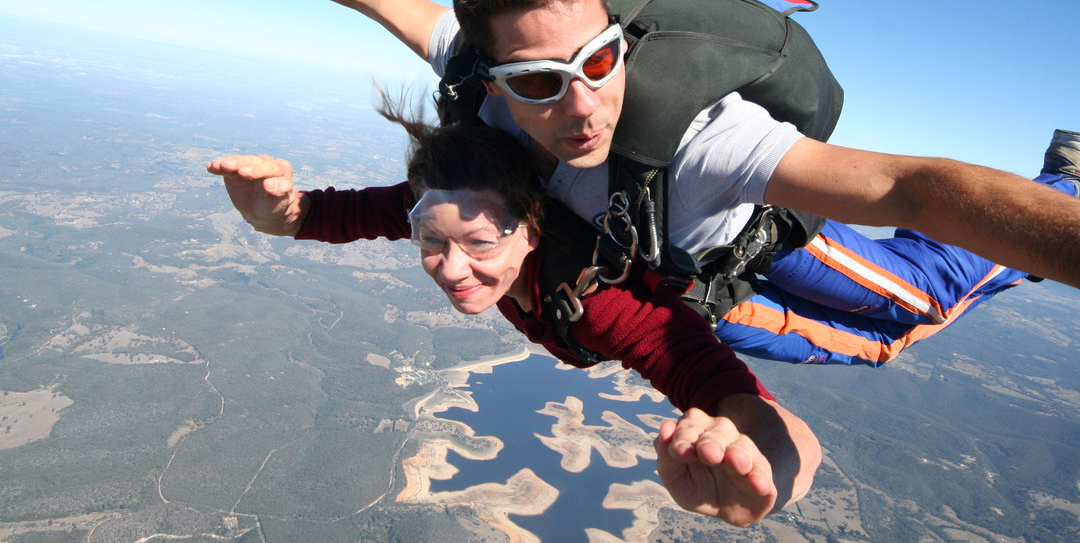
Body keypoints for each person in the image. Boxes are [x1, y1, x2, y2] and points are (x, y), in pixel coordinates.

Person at [58, 0, 1080, 357]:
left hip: (758, 250)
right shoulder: (480, 78)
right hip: (687, 283)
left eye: (598, 59)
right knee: (880, 342)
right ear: (493, 79)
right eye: (541, 80)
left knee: (910, 313)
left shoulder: (705, 138)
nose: (582, 101)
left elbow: (910, 187)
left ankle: (1065, 178)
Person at [206, 117, 822, 528]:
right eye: (428, 241)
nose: (452, 268)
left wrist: (769, 476)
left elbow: (746, 405)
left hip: (769, 289)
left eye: (478, 244)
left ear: (531, 228)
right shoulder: (448, 205)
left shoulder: (600, 304)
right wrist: (276, 211)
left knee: (906, 316)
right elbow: (332, 216)